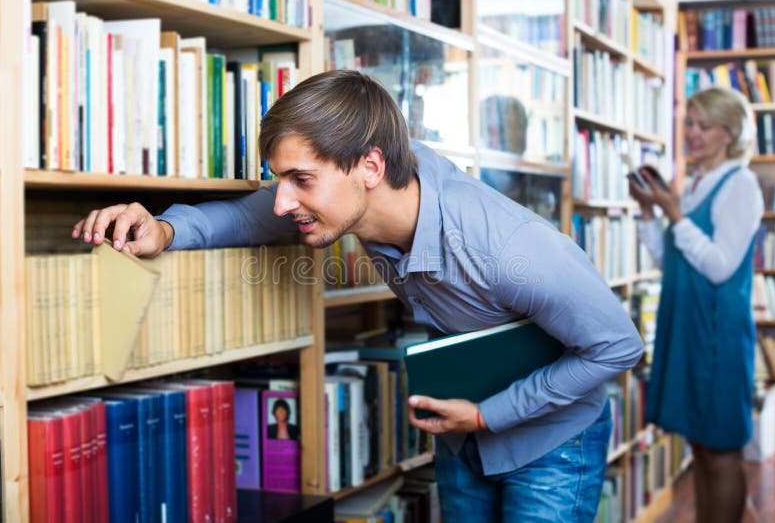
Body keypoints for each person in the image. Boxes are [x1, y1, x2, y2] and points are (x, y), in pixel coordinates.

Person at [72, 69, 643, 521]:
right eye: (281, 180)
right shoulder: (366, 192)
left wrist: (489, 415)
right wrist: (164, 231)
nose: (281, 202)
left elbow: (618, 347)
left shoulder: (512, 248)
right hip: (462, 429)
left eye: (301, 180)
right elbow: (251, 216)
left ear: (370, 165)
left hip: (550, 439)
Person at [629, 86, 763, 523]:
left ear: (730, 134)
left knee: (722, 449)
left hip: (717, 333)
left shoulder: (740, 184)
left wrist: (675, 214)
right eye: (689, 122)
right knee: (702, 447)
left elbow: (721, 266)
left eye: (704, 126)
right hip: (686, 325)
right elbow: (670, 260)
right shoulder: (692, 182)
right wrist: (651, 213)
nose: (692, 132)